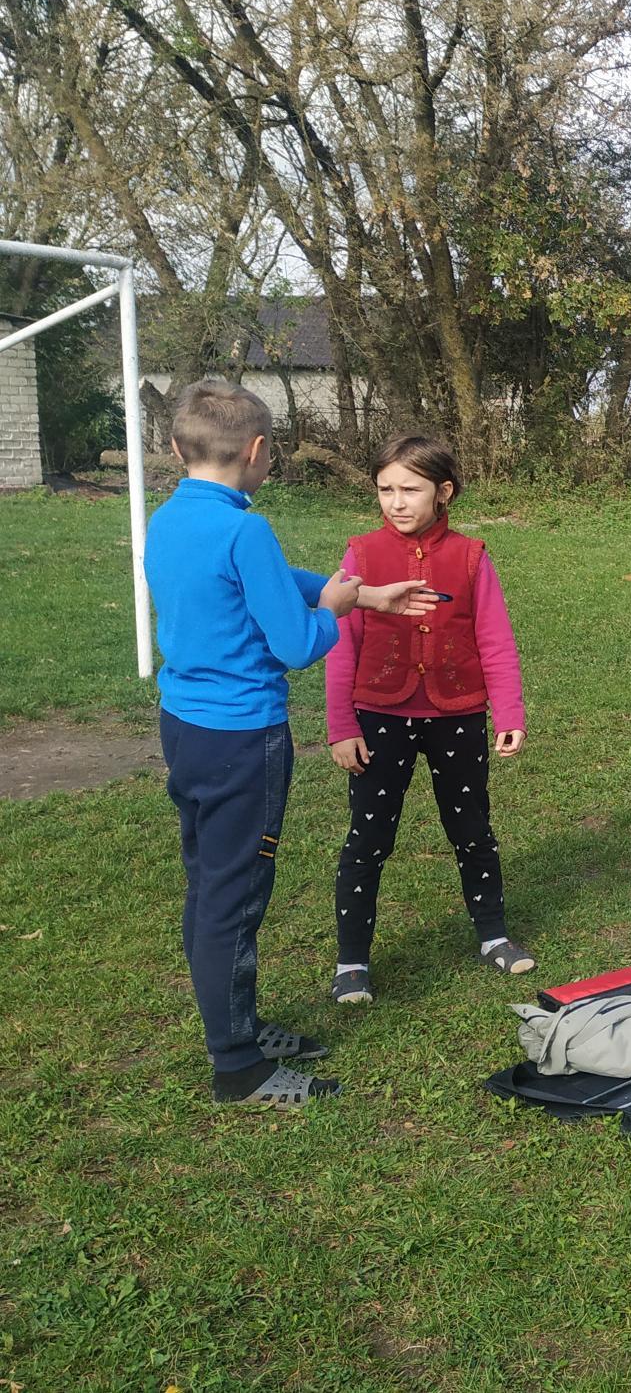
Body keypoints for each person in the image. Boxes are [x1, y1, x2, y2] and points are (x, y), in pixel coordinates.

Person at [145, 378, 433, 1107]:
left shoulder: (169, 518)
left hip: (185, 729)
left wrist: (367, 594)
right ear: (258, 451)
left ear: (176, 448)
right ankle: (237, 1066)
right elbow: (298, 643)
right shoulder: (247, 530)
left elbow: (267, 580)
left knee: (210, 883)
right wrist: (335, 610)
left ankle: (237, 1026)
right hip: (243, 739)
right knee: (235, 897)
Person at [322, 435, 531, 1005]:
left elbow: (495, 639)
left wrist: (508, 710)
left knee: (472, 830)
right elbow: (341, 645)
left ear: (444, 492)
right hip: (377, 717)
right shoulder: (361, 556)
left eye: (410, 490)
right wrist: (342, 726)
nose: (396, 502)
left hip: (457, 715)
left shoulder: (471, 556)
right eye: (385, 489)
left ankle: (493, 934)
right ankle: (352, 961)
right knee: (368, 838)